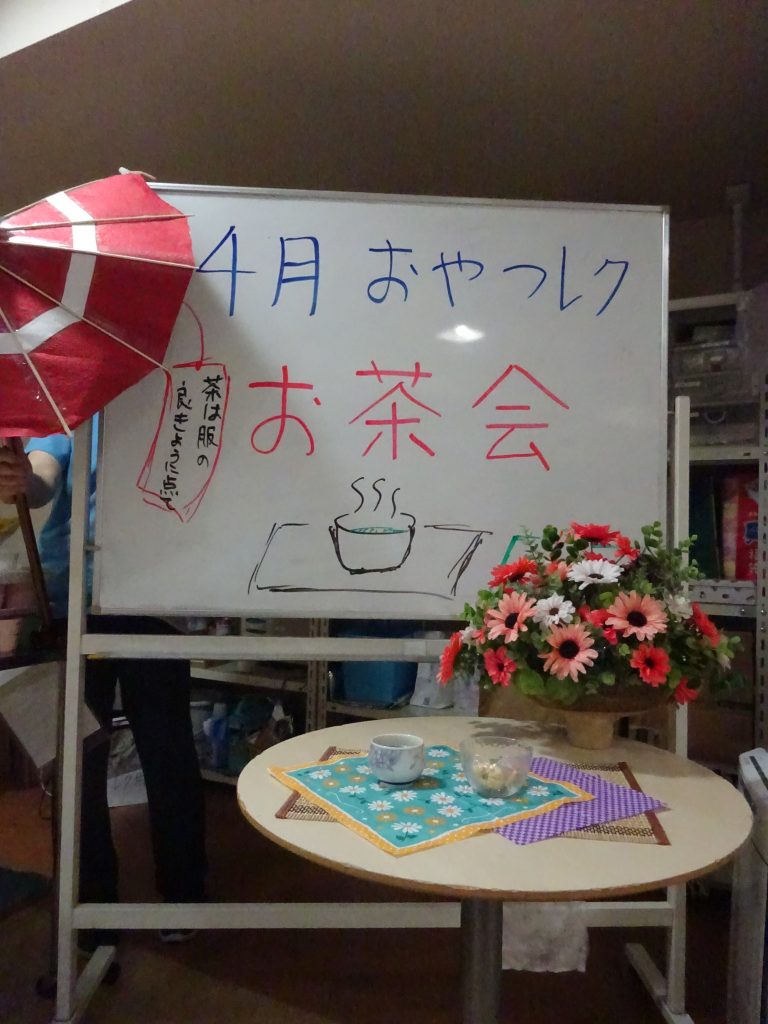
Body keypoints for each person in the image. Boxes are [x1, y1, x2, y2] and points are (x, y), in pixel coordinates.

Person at [0, 432, 207, 947]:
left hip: (154, 598)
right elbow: (45, 474)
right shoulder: (77, 415)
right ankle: (91, 904)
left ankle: (184, 892)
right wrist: (25, 479)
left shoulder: (174, 404)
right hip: (71, 597)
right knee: (77, 759)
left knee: (167, 748)